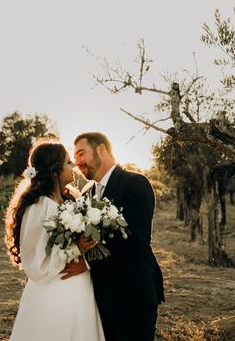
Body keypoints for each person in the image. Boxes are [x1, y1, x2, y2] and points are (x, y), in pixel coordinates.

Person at [6, 139, 105, 341]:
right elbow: (36, 262)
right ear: (54, 171)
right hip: (55, 291)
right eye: (69, 162)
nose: (74, 166)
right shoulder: (40, 206)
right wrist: (76, 248)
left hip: (78, 288)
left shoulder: (71, 199)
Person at [71, 132, 165, 341]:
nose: (77, 162)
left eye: (81, 154)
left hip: (133, 294)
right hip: (100, 298)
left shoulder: (135, 183)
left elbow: (135, 239)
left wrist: (87, 264)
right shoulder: (86, 191)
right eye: (75, 157)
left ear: (101, 149)